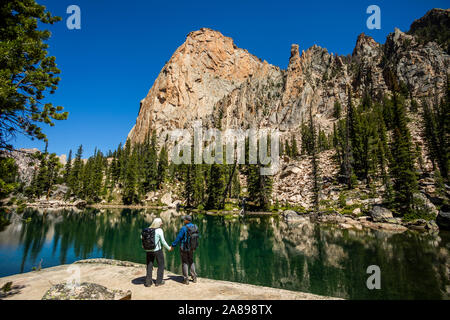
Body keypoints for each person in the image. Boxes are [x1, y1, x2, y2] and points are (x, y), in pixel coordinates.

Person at [142, 218, 171, 287]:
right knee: (161, 264)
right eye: (161, 222)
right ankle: (159, 281)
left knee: (149, 265)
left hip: (148, 250)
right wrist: (169, 248)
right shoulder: (159, 230)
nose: (162, 223)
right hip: (157, 250)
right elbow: (163, 241)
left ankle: (148, 282)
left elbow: (142, 238)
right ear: (158, 223)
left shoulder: (147, 230)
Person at [171, 215, 198, 285]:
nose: (183, 221)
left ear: (187, 220)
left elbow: (178, 238)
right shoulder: (195, 227)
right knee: (191, 261)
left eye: (184, 220)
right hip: (192, 247)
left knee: (185, 262)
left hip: (184, 248)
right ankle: (194, 277)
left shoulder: (184, 228)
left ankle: (186, 279)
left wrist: (173, 245)